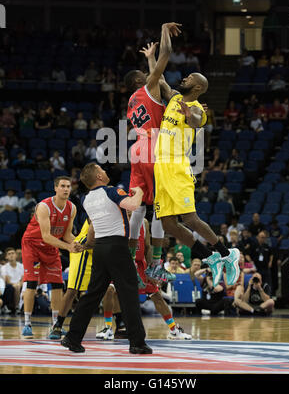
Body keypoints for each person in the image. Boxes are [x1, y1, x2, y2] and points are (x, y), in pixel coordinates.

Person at [154, 73, 241, 288]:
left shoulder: (198, 109)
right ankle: (209, 257)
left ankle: (226, 253)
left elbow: (195, 122)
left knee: (190, 219)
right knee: (168, 225)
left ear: (198, 87)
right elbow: (160, 78)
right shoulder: (174, 98)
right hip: (161, 168)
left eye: (190, 77)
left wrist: (188, 114)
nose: (185, 77)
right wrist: (152, 55)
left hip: (177, 166)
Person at [61, 162, 152, 355]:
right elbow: (133, 205)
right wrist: (139, 192)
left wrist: (87, 245)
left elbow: (93, 229)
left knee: (92, 294)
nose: (105, 171)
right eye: (102, 169)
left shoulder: (86, 199)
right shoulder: (111, 192)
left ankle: (73, 337)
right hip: (117, 247)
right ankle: (137, 342)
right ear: (99, 177)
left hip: (100, 248)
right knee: (128, 294)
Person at [125, 22, 182, 283]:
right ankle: (156, 263)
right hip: (154, 150)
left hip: (136, 150)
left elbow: (154, 84)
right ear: (142, 79)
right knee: (159, 209)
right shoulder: (149, 86)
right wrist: (162, 31)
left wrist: (148, 60)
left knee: (137, 210)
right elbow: (165, 58)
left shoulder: (132, 100)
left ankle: (129, 262)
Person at [96, 218, 192, 341]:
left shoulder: (143, 222)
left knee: (156, 296)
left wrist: (152, 269)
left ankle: (174, 330)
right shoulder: (117, 219)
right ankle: (108, 328)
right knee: (110, 290)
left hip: (139, 264)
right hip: (120, 263)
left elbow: (147, 246)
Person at [21, 176, 78, 339]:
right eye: (63, 186)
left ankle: (56, 325)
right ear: (55, 188)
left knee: (58, 284)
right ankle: (27, 324)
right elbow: (46, 236)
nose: (66, 189)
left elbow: (67, 235)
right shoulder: (44, 206)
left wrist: (79, 244)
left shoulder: (72, 208)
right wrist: (68, 247)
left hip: (52, 246)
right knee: (31, 282)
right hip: (33, 244)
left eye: (68, 186)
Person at [48, 219, 93, 340]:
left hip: (100, 250)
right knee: (73, 290)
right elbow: (93, 236)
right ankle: (58, 325)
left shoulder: (127, 216)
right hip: (83, 249)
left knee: (109, 289)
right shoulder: (101, 206)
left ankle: (116, 324)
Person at [1, 247, 24, 314]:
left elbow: (23, 278)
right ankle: (15, 307)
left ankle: (19, 306)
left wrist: (19, 284)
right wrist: (16, 285)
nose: (11, 255)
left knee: (23, 286)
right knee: (11, 287)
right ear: (6, 257)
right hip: (10, 285)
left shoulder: (22, 266)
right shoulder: (4, 267)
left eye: (13, 253)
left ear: (16, 255)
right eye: (9, 254)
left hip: (20, 284)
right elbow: (7, 281)